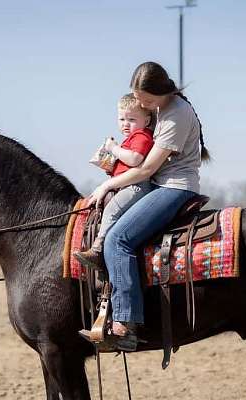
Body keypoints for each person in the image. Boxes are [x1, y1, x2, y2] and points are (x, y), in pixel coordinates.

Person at [83, 61, 210, 351]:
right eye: (139, 99)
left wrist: (106, 186)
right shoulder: (161, 109)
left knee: (118, 239)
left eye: (147, 100)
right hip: (159, 183)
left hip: (174, 187)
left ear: (163, 91)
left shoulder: (177, 114)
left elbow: (146, 169)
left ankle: (127, 325)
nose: (142, 105)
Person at [74, 94, 155, 269]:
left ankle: (98, 248)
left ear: (147, 121)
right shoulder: (130, 139)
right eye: (122, 118)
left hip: (136, 187)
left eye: (132, 119)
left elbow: (135, 159)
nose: (126, 123)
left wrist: (113, 148)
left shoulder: (142, 136)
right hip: (126, 185)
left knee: (111, 210)